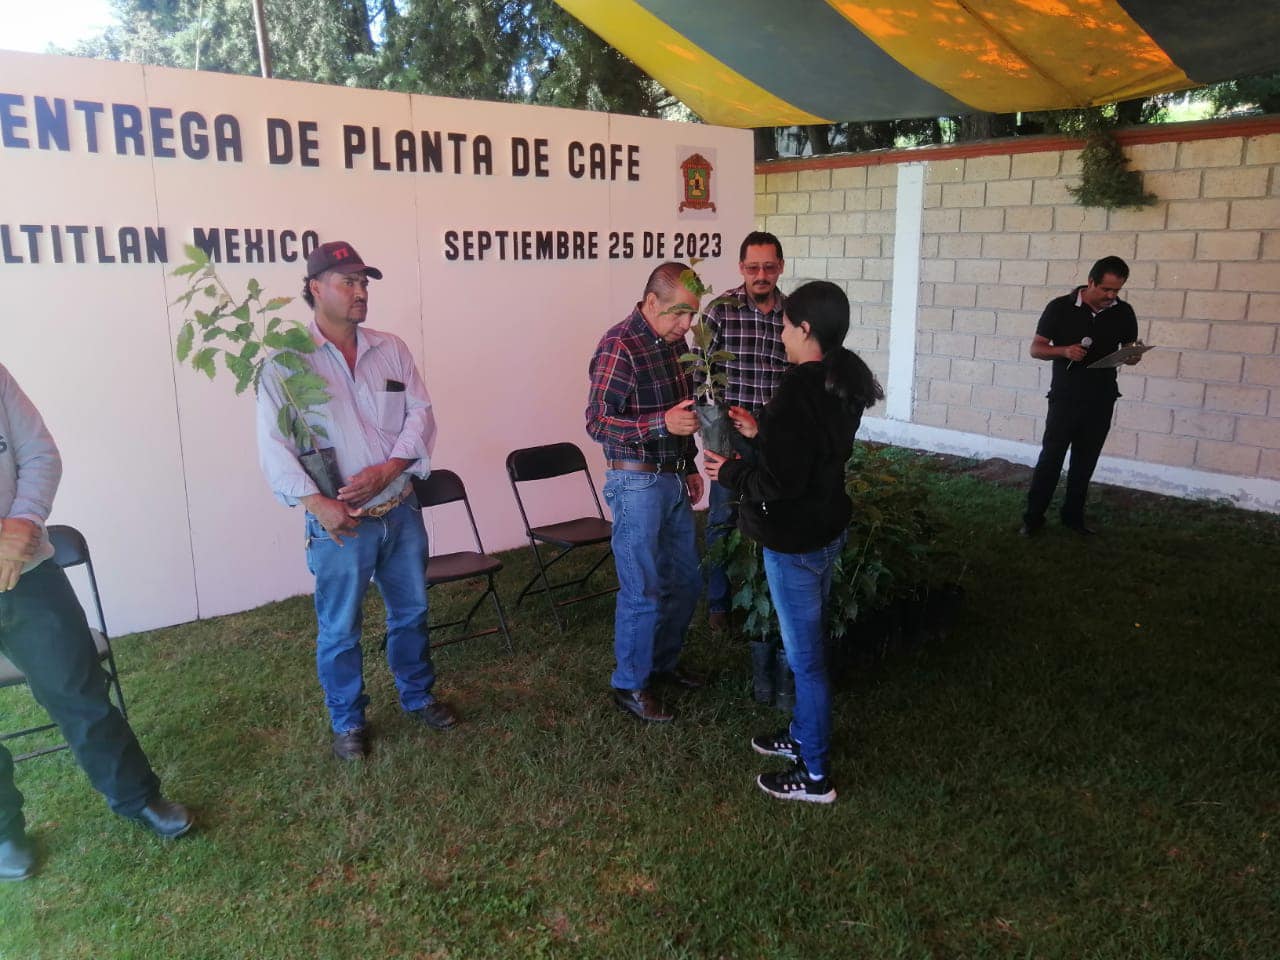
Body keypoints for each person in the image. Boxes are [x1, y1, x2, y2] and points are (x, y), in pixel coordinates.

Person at [256, 241, 456, 762]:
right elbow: (274, 447)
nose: (360, 291)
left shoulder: (390, 349)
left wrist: (391, 468)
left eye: (364, 282)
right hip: (341, 523)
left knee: (411, 611)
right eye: (348, 281)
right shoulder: (285, 363)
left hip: (400, 508)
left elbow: (421, 413)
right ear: (314, 288)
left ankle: (418, 695)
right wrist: (318, 505)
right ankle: (348, 719)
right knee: (340, 627)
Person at [0, 363, 193, 882]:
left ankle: (137, 797)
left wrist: (22, 520)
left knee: (81, 695)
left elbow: (39, 453)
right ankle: (3, 832)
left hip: (30, 574)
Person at [704, 281, 883, 804]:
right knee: (806, 649)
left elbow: (781, 484)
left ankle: (816, 774)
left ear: (806, 330)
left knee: (806, 661)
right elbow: (811, 453)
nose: (778, 333)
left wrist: (729, 472)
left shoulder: (795, 393)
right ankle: (804, 735)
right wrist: (764, 436)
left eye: (784, 325)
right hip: (827, 530)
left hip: (797, 543)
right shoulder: (840, 380)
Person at [586, 262, 706, 723]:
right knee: (644, 587)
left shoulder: (675, 345)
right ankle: (630, 685)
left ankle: (662, 666)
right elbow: (597, 420)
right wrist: (661, 425)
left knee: (685, 580)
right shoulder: (620, 345)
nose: (686, 325)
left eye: (691, 315)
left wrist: (689, 463)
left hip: (673, 476)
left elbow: (683, 412)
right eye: (678, 313)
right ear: (651, 302)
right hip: (635, 480)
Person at [697, 231, 789, 634]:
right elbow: (703, 382)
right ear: (741, 268)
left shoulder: (793, 315)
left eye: (769, 267)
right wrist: (715, 446)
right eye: (753, 267)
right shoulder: (720, 311)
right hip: (731, 439)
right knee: (721, 520)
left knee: (775, 515)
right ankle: (719, 604)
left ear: (781, 267)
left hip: (775, 437)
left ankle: (766, 597)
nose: (761, 275)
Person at [1021, 256, 1143, 537]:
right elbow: (1036, 349)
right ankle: (1032, 519)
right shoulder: (1060, 308)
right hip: (1065, 397)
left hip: (1102, 397)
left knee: (1085, 462)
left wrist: (1133, 356)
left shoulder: (1123, 312)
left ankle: (1073, 518)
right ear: (1090, 282)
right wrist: (1064, 351)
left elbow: (1128, 350)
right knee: (1051, 459)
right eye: (1105, 290)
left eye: (1117, 291)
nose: (1111, 296)